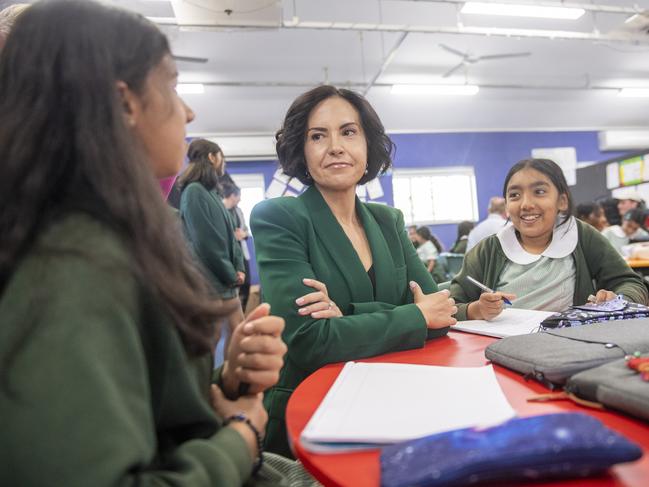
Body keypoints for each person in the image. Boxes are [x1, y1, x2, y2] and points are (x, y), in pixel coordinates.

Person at [0, 2, 293, 484]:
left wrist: (226, 380)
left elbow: (147, 412)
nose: (190, 110)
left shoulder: (109, 236)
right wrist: (240, 438)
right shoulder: (74, 267)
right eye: (173, 85)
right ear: (122, 105)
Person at [250, 85, 457, 457]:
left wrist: (346, 316)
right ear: (301, 149)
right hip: (315, 413)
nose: (335, 146)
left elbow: (440, 316)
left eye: (348, 132)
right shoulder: (279, 217)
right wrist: (413, 315)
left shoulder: (387, 219)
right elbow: (310, 342)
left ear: (368, 144)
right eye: (318, 136)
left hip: (396, 399)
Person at [450, 158, 648, 322]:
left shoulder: (580, 235)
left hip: (566, 345)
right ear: (507, 205)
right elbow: (450, 306)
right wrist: (475, 310)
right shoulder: (489, 249)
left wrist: (617, 299)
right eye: (515, 195)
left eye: (539, 192)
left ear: (562, 201)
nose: (526, 204)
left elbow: (631, 284)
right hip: (500, 347)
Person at [178, 139, 246, 348]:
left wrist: (239, 267)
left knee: (240, 333)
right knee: (211, 338)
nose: (223, 162)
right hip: (210, 281)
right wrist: (230, 273)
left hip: (225, 280)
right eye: (221, 157)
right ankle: (208, 380)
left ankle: (235, 379)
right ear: (211, 157)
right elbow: (206, 242)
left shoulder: (212, 193)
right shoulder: (194, 191)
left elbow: (229, 237)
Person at [222, 182, 252, 310]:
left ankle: (242, 310)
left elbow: (246, 230)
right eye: (239, 195)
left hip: (242, 252)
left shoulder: (238, 211)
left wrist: (243, 233)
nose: (240, 199)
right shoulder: (220, 209)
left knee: (247, 282)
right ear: (233, 195)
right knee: (233, 285)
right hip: (228, 254)